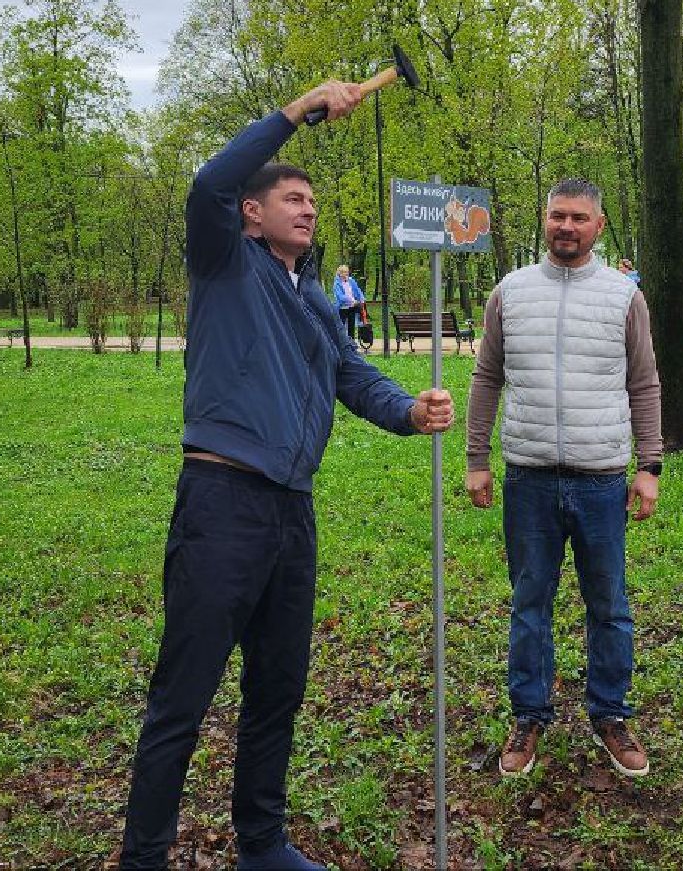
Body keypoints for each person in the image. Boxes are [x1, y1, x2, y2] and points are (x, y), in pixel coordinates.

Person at [119, 81, 456, 871]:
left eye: (312, 201)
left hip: (289, 512)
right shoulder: (223, 261)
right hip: (222, 502)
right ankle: (143, 859)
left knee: (277, 689)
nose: (307, 209)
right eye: (291, 198)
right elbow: (208, 180)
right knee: (182, 698)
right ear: (252, 210)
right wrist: (296, 110)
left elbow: (353, 374)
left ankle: (261, 844)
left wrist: (409, 411)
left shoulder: (312, 297)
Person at [464, 177, 662, 781]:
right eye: (557, 217)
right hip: (527, 478)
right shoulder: (510, 293)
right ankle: (528, 716)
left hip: (601, 478)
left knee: (609, 605)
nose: (567, 227)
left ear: (599, 226)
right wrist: (476, 459)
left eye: (579, 218)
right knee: (530, 604)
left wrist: (649, 465)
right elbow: (485, 378)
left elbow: (645, 382)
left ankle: (610, 715)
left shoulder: (623, 297)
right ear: (543, 222)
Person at [331, 264, 368, 350]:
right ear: (339, 273)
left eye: (347, 272)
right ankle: (340, 344)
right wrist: (352, 301)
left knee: (351, 326)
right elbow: (340, 297)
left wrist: (362, 300)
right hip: (342, 308)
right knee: (341, 326)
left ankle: (352, 344)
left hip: (352, 307)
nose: (345, 274)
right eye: (343, 272)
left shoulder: (351, 281)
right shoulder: (337, 283)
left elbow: (358, 291)